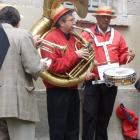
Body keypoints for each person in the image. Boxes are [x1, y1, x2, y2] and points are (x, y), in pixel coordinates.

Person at [81, 6, 135, 140]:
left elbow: (123, 56)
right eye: (103, 16)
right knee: (89, 116)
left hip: (111, 83)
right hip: (92, 81)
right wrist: (86, 70)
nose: (106, 19)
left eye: (108, 17)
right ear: (97, 18)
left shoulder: (118, 35)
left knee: (104, 116)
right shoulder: (87, 34)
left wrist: (129, 56)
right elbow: (81, 57)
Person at [0, 6, 51, 140]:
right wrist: (44, 63)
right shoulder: (22, 34)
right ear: (17, 21)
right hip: (17, 103)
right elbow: (33, 67)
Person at [40, 4, 90, 140]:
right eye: (71, 20)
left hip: (72, 88)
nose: (75, 22)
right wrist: (76, 55)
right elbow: (54, 67)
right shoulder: (50, 38)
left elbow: (78, 62)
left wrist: (87, 63)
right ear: (62, 22)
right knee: (58, 130)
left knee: (73, 130)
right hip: (57, 92)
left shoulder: (74, 38)